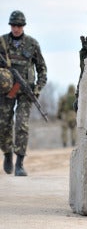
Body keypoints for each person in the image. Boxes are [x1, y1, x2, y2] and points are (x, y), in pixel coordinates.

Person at [0, 10, 47, 176]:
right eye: (13, 25)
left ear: (23, 26)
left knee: (22, 125)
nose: (16, 28)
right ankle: (7, 154)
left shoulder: (32, 44)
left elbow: (42, 69)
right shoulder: (2, 42)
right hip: (6, 91)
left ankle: (19, 163)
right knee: (3, 124)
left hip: (25, 92)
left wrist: (37, 89)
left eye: (19, 25)